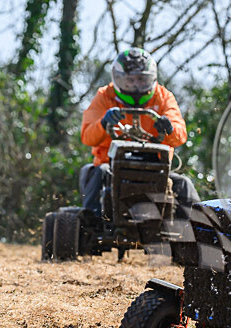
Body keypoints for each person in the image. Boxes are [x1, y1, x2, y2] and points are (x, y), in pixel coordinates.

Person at [80, 47, 199, 220]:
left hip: (155, 167)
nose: (136, 85)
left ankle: (196, 231)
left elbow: (180, 134)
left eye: (142, 80)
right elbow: (87, 136)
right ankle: (90, 224)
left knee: (183, 185)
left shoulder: (163, 97)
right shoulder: (105, 96)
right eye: (130, 80)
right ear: (118, 78)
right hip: (112, 166)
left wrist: (169, 128)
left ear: (151, 78)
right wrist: (103, 123)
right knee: (99, 173)